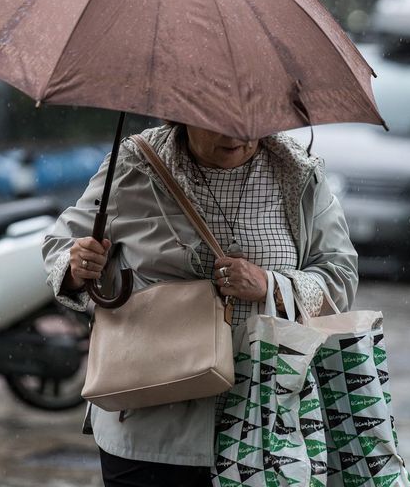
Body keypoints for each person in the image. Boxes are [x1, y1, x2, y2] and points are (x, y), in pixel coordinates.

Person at [42, 122, 358, 486]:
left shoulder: (298, 172)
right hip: (149, 419)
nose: (237, 135)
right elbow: (61, 244)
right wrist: (80, 265)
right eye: (218, 123)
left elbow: (340, 275)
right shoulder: (136, 163)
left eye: (251, 122)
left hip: (265, 421)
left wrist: (269, 285)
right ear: (185, 114)